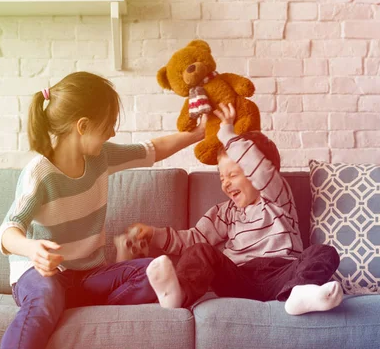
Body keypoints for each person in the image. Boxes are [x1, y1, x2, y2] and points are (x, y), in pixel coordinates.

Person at [0, 71, 205, 349]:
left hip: (86, 276)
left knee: (153, 269)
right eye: (107, 125)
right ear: (83, 127)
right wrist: (32, 249)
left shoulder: (101, 158)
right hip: (41, 274)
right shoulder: (39, 173)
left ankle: (86, 295)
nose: (111, 133)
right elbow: (7, 231)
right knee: (46, 297)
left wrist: (198, 134)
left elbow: (152, 149)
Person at [127, 103, 343, 316]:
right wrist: (154, 235)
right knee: (200, 250)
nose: (225, 184)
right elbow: (192, 239)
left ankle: (299, 293)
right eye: (222, 177)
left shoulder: (276, 197)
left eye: (232, 175)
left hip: (282, 275)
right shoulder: (225, 212)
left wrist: (228, 135)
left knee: (324, 252)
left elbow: (261, 170)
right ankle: (179, 294)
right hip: (239, 278)